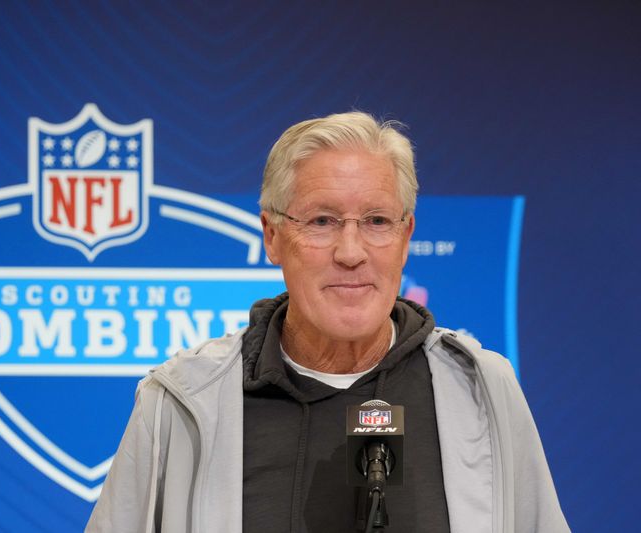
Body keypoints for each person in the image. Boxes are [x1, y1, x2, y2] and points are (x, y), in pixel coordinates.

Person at [86, 112, 569, 532]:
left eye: (377, 221)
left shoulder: (482, 388)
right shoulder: (181, 400)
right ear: (272, 237)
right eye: (321, 221)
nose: (352, 252)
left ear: (406, 237)